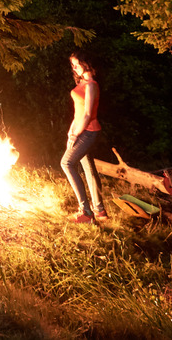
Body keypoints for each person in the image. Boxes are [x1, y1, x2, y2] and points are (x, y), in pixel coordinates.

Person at [61, 50, 107, 222]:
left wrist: (75, 136)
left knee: (66, 163)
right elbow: (77, 114)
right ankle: (99, 211)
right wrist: (70, 132)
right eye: (73, 65)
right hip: (81, 129)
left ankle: (86, 213)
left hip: (89, 131)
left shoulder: (91, 85)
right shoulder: (82, 84)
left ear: (86, 63)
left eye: (77, 64)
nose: (75, 68)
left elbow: (88, 114)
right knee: (88, 167)